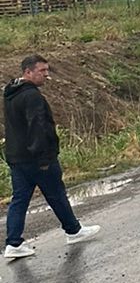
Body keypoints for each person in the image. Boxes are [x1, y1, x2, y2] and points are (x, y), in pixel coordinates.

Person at [4, 54, 101, 260]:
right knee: (56, 193)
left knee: (19, 199)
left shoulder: (11, 93)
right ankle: (73, 231)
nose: (46, 75)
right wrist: (45, 157)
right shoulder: (32, 97)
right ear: (27, 72)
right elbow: (39, 128)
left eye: (47, 70)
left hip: (17, 157)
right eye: (42, 71)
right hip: (36, 158)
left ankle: (13, 243)